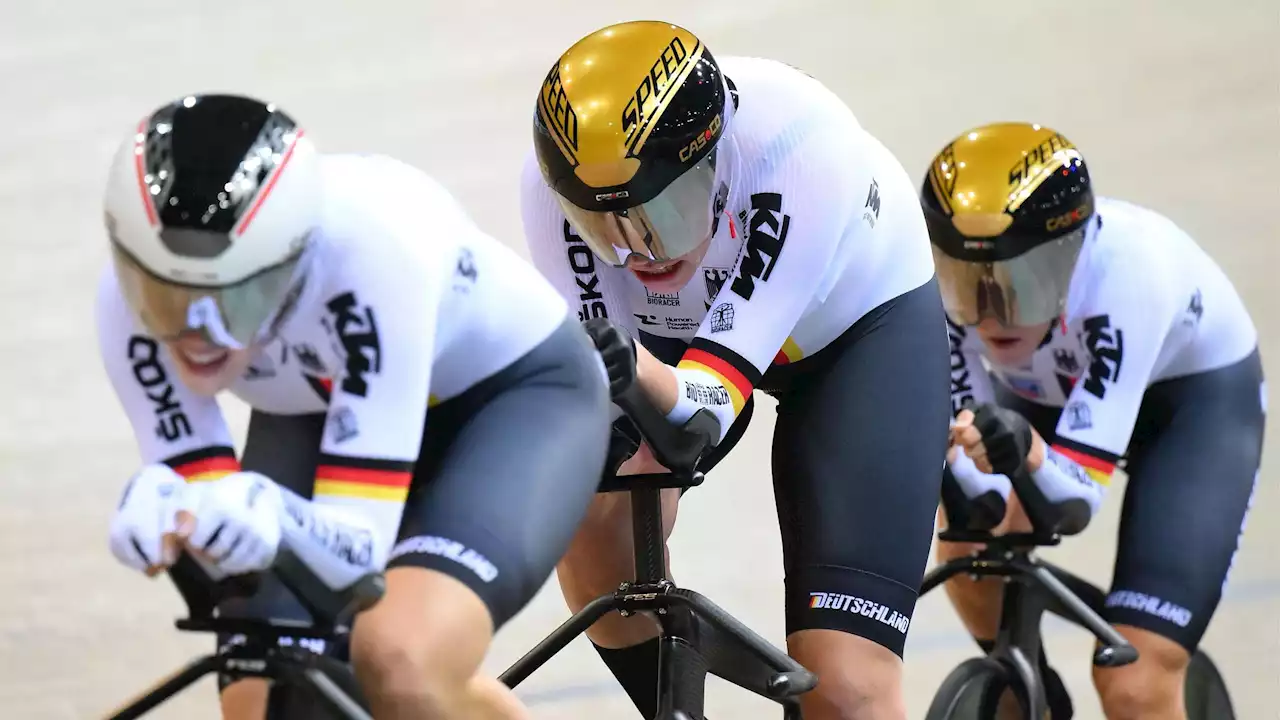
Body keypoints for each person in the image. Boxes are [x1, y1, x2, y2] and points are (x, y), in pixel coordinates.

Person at [97, 93, 611, 720]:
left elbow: (353, 555)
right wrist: (171, 514)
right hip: (328, 399)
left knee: (400, 659)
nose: (198, 336)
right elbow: (214, 515)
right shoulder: (122, 306)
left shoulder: (375, 250)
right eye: (165, 301)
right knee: (265, 693)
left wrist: (268, 517)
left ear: (294, 262)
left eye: (237, 300)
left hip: (511, 399)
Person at [520, 20, 953, 720]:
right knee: (595, 528)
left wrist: (626, 370)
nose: (639, 253)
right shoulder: (545, 192)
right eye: (605, 228)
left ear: (715, 162)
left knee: (842, 688)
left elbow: (700, 411)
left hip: (854, 334)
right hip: (677, 340)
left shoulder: (802, 148)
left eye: (661, 211)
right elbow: (614, 405)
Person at [925, 121, 1264, 719]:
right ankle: (1028, 698)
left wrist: (1024, 456)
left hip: (1189, 409)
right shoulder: (947, 300)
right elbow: (976, 496)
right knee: (965, 549)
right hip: (1048, 393)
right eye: (967, 283)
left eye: (1020, 285)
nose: (989, 314)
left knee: (1135, 680)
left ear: (1072, 258)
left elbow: (1072, 503)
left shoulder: (1131, 276)